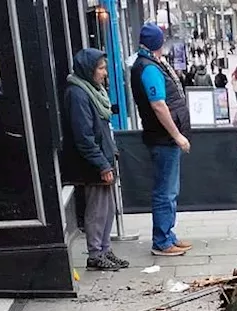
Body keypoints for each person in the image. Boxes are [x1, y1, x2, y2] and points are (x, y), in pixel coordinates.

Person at [130, 23, 192, 257]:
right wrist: (177, 135)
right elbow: (158, 105)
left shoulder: (150, 63)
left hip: (164, 137)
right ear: (157, 43)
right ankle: (162, 241)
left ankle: (168, 235)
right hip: (163, 138)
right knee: (165, 191)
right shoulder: (149, 68)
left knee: (169, 190)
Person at [63, 48, 125, 271]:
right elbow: (84, 136)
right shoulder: (78, 94)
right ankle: (95, 253)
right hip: (93, 164)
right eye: (100, 68)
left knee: (107, 208)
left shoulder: (92, 91)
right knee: (97, 209)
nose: (104, 73)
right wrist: (101, 164)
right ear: (88, 70)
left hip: (103, 158)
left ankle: (104, 248)